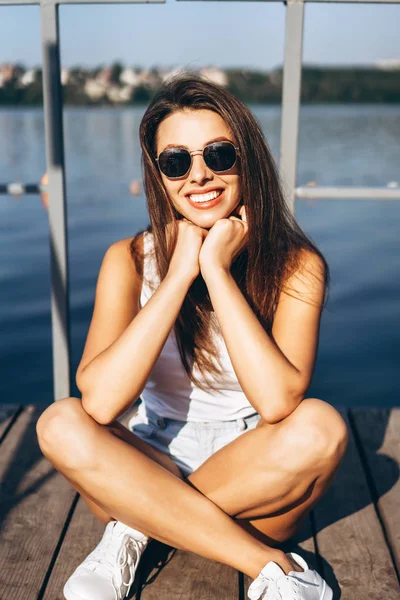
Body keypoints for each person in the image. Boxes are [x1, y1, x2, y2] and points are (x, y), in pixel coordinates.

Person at [36, 74, 349, 600]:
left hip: (253, 467)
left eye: (219, 155)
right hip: (150, 453)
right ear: (158, 176)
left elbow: (277, 403)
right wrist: (179, 273)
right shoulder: (129, 260)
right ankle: (271, 566)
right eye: (176, 161)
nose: (198, 176)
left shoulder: (296, 265)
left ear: (247, 159)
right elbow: (101, 400)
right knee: (60, 421)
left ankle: (138, 527)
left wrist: (218, 271)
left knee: (320, 426)